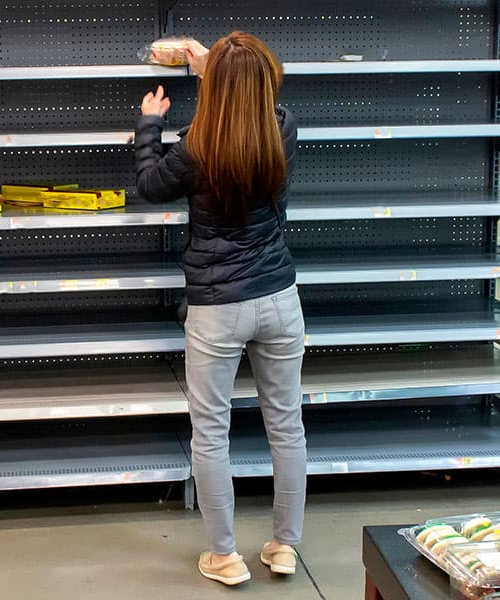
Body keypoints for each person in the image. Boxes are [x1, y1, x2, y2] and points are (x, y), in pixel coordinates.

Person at [135, 31, 307, 587]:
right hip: (279, 298)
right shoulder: (281, 129)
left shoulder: (194, 147)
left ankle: (224, 556)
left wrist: (148, 125)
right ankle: (284, 547)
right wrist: (224, 68)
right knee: (287, 427)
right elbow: (264, 100)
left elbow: (150, 184)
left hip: (217, 305)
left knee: (211, 432)